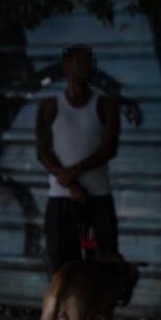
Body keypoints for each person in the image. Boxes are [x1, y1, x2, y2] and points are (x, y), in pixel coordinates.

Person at [36, 44, 121, 274]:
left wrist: (72, 172)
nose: (85, 68)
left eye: (88, 63)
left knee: (103, 265)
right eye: (79, 62)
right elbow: (43, 152)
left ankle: (98, 310)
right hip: (62, 199)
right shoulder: (50, 106)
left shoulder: (106, 104)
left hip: (97, 197)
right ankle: (65, 311)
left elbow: (109, 148)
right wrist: (71, 184)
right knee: (61, 268)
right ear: (66, 67)